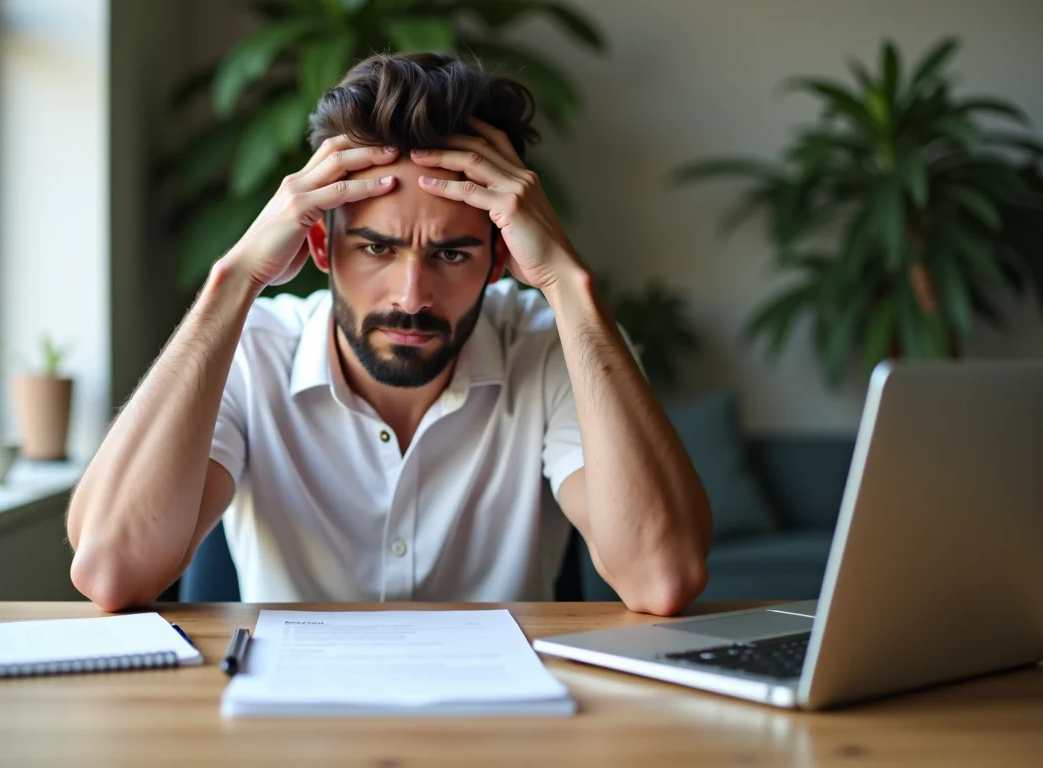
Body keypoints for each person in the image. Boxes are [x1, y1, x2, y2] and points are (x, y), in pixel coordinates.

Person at [66, 52, 712, 615]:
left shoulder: (553, 345)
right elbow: (109, 569)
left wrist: (570, 287)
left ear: (499, 255)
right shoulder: (250, 351)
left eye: (453, 254)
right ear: (319, 241)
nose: (411, 297)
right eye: (377, 247)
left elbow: (662, 578)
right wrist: (233, 280)